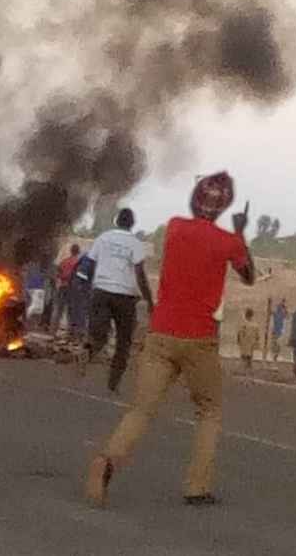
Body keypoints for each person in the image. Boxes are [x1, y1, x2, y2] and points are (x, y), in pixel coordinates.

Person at [86, 172, 254, 508]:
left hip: (161, 333)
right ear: (225, 206)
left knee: (142, 410)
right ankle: (197, 486)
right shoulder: (227, 241)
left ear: (194, 199)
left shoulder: (175, 227)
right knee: (209, 411)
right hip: (199, 338)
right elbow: (248, 275)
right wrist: (239, 232)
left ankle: (108, 459)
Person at [83, 209, 155, 392]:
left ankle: (88, 352)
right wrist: (149, 300)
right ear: (132, 223)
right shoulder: (135, 243)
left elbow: (89, 264)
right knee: (124, 341)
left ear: (116, 221)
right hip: (124, 296)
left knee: (99, 334)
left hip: (101, 291)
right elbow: (140, 274)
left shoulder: (103, 238)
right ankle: (113, 383)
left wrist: (90, 288)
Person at [51, 244, 81, 335]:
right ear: (78, 252)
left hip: (63, 287)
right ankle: (71, 332)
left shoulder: (64, 261)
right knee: (71, 311)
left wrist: (62, 278)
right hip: (73, 289)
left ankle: (53, 331)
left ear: (71, 251)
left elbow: (57, 274)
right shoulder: (78, 262)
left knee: (58, 310)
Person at [237, 308, 260, 373]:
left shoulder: (242, 323)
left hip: (244, 341)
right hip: (250, 341)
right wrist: (257, 340)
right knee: (249, 354)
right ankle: (248, 366)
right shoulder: (255, 324)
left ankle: (244, 366)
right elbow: (257, 334)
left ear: (246, 315)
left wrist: (238, 340)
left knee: (244, 354)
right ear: (252, 315)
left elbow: (239, 332)